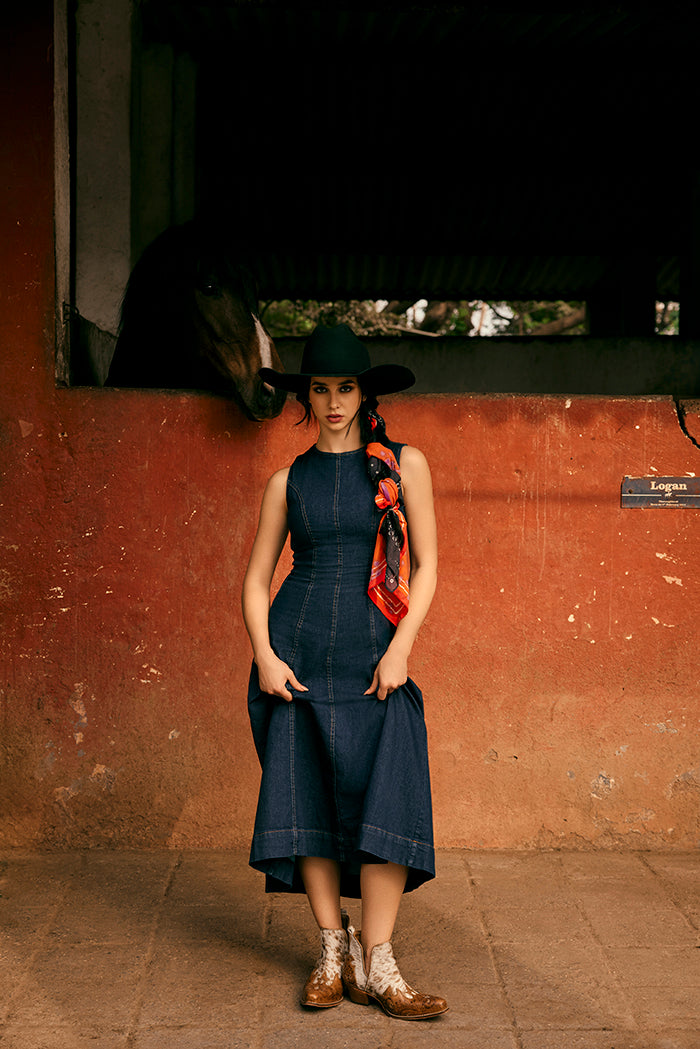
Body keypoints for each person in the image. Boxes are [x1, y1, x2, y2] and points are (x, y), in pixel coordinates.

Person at [241, 323, 447, 1020]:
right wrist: (266, 655)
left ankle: (379, 960)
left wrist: (402, 645)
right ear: (306, 395)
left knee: (390, 793)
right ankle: (332, 947)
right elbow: (255, 581)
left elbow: (427, 567)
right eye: (320, 389)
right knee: (309, 805)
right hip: (297, 660)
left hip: (375, 658)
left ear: (365, 392)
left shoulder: (402, 465)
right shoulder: (286, 479)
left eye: (345, 388)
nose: (333, 401)